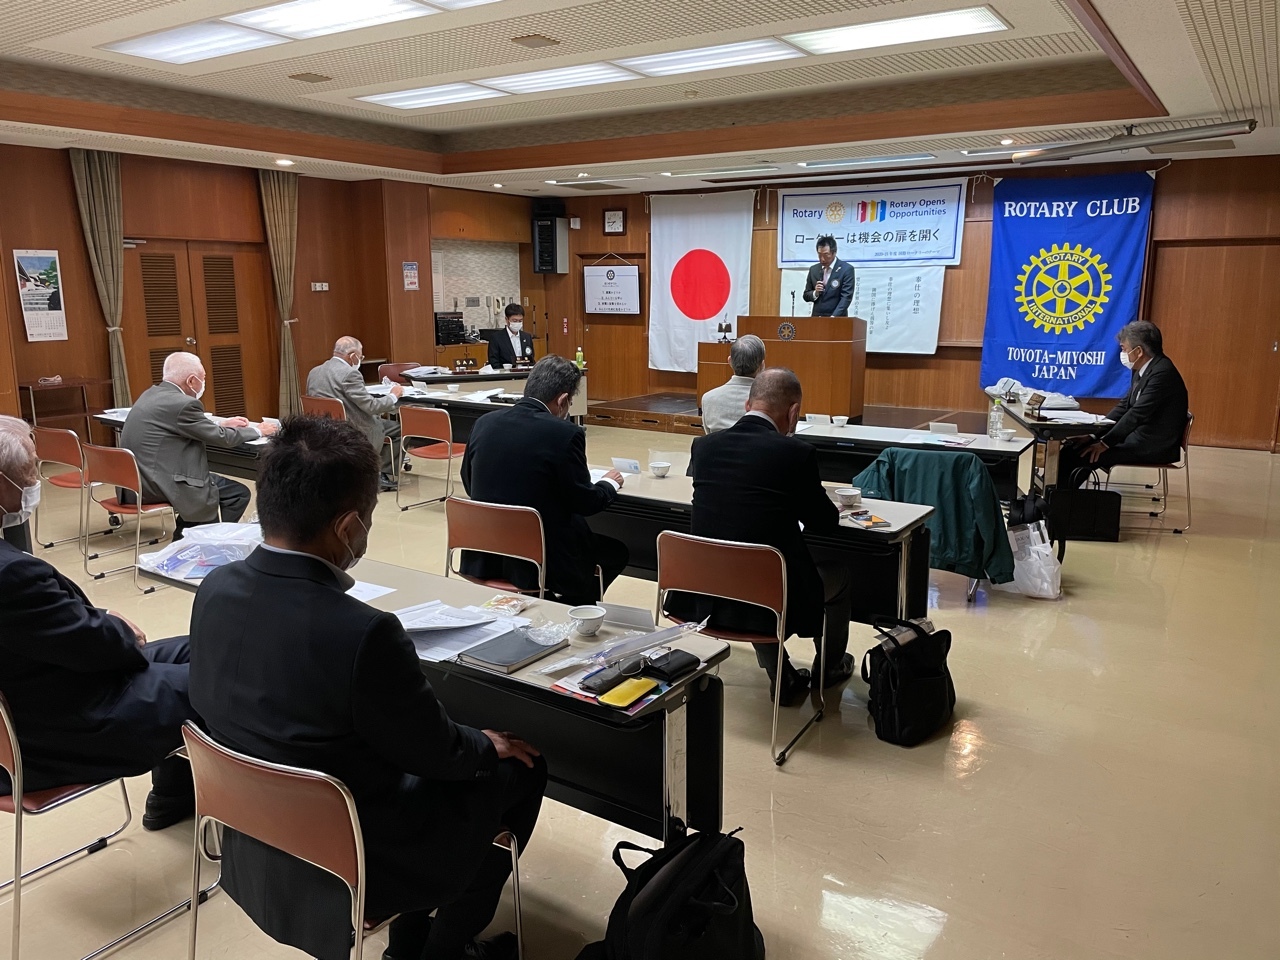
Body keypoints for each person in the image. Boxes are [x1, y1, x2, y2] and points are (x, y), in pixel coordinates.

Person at [188, 415, 545, 960]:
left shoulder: (214, 588)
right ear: (348, 526)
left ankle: (414, 940)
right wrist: (481, 743)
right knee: (519, 765)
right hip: (357, 850)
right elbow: (436, 752)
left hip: (254, 831)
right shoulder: (363, 632)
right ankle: (441, 946)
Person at [0, 416, 195, 830]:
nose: (35, 480)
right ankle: (243, 811)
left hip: (35, 696)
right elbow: (97, 648)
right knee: (225, 676)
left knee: (200, 648)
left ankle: (172, 794)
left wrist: (99, 620)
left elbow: (44, 629)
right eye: (30, 469)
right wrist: (115, 628)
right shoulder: (11, 574)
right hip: (60, 732)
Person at [678, 369, 854, 706]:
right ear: (793, 412)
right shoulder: (796, 453)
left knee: (751, 565)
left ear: (748, 404)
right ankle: (828, 670)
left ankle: (782, 675)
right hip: (769, 594)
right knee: (837, 577)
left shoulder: (704, 446)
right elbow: (824, 523)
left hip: (708, 591)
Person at [461, 355, 628, 606]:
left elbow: (468, 481)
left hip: (485, 552)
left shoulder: (484, 422)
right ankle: (572, 608)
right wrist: (609, 483)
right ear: (562, 400)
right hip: (541, 557)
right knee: (615, 552)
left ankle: (553, 602)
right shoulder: (565, 433)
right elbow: (585, 502)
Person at [120, 352, 275, 539]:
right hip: (159, 483)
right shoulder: (183, 404)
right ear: (192, 381)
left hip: (135, 482)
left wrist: (219, 424)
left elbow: (179, 424)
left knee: (231, 491)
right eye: (203, 378)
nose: (204, 383)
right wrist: (258, 430)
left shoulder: (151, 394)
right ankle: (211, 539)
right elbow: (223, 439)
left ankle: (200, 534)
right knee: (236, 494)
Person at [1058, 321, 1189, 486]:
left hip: (1152, 445)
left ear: (1139, 351)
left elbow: (1136, 414)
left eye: (1124, 348)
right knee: (1072, 449)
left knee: (1084, 455)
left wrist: (1104, 443)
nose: (1122, 353)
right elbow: (1124, 406)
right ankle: (1052, 494)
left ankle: (1062, 499)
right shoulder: (1144, 369)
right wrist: (1093, 434)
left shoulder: (1162, 374)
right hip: (1136, 437)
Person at [307, 336, 403, 490]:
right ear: (352, 356)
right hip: (352, 427)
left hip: (323, 426)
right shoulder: (350, 374)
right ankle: (379, 474)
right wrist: (393, 395)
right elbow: (371, 407)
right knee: (400, 429)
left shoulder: (315, 372)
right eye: (361, 356)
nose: (360, 360)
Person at [701, 334, 765, 433]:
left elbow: (709, 436)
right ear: (762, 365)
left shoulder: (708, 398)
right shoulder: (770, 402)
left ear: (730, 361)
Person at [802, 235, 855, 317]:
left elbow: (846, 298)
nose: (822, 259)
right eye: (819, 255)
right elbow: (806, 295)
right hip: (817, 319)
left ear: (834, 252)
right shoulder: (814, 269)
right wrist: (815, 293)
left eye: (826, 255)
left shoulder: (846, 269)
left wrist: (833, 318)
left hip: (837, 319)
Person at [488, 304, 535, 369]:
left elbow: (531, 358)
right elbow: (494, 362)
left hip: (525, 372)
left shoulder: (527, 337)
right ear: (507, 320)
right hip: (506, 373)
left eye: (520, 321)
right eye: (514, 321)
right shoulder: (496, 338)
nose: (517, 323)